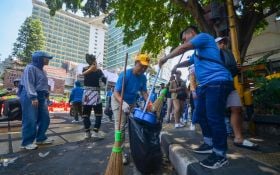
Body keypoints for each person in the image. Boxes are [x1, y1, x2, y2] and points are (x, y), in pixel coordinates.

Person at [159, 26, 233, 169]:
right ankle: (209, 142)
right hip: (205, 85)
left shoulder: (203, 37)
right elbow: (189, 61)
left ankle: (220, 154)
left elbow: (183, 48)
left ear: (191, 33)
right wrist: (177, 66)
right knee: (200, 115)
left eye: (184, 38)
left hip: (217, 81)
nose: (183, 41)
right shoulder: (199, 51)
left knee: (214, 117)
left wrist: (166, 58)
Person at [215, 37, 258, 149]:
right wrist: (232, 68)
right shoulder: (213, 53)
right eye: (220, 42)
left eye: (224, 42)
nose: (223, 44)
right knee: (217, 112)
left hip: (229, 84)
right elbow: (217, 68)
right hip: (217, 84)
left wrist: (236, 68)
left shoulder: (229, 53)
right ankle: (216, 139)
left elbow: (232, 71)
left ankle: (238, 138)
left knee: (237, 108)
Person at [111, 53, 151, 164]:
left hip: (131, 102)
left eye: (145, 67)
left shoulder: (143, 78)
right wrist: (123, 103)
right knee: (120, 126)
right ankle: (120, 152)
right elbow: (116, 92)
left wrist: (149, 104)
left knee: (134, 125)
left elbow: (144, 92)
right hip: (119, 101)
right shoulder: (125, 75)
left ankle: (135, 149)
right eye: (141, 65)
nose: (143, 69)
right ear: (135, 63)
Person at [19, 51, 54, 150]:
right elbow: (28, 83)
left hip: (41, 96)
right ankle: (26, 143)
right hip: (30, 95)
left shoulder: (43, 71)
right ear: (39, 59)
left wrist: (47, 96)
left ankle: (41, 138)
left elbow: (44, 85)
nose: (48, 60)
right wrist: (33, 97)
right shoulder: (30, 68)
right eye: (46, 58)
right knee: (30, 119)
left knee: (45, 118)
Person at [81, 54, 107, 139]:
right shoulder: (98, 71)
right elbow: (104, 82)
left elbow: (83, 74)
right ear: (94, 61)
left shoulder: (85, 69)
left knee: (86, 113)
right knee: (98, 114)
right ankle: (95, 132)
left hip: (87, 93)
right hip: (96, 93)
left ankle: (87, 132)